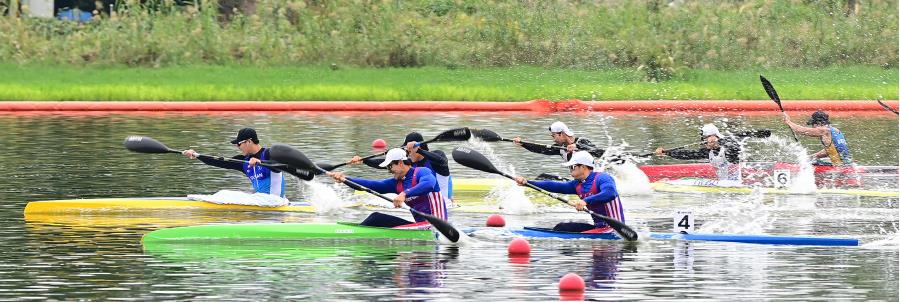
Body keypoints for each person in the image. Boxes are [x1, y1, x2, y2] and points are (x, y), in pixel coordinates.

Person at [330, 148, 447, 229]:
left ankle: (353, 236)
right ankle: (356, 235)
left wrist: (405, 194)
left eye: (390, 166)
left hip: (438, 227)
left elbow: (429, 184)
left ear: (400, 163)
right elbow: (370, 185)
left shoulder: (422, 172)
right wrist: (345, 179)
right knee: (375, 218)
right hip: (420, 226)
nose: (389, 170)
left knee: (375, 219)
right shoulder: (397, 183)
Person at [514, 151, 624, 234]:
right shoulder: (577, 185)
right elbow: (553, 185)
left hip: (615, 229)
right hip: (598, 228)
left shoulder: (602, 178)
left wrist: (585, 201)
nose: (570, 170)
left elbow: (610, 193)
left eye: (572, 167)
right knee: (561, 228)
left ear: (583, 167)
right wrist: (527, 182)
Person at [352, 132, 455, 208]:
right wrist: (364, 160)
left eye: (408, 150)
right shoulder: (410, 163)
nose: (407, 153)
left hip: (443, 206)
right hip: (423, 206)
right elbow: (389, 164)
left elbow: (442, 161)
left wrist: (419, 150)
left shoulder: (437, 157)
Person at [181, 128, 286, 197]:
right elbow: (219, 161)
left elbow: (278, 167)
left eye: (239, 144)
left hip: (275, 202)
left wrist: (260, 161)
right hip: (261, 202)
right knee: (223, 194)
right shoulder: (243, 161)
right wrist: (197, 155)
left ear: (249, 141)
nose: (237, 146)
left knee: (226, 195)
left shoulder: (269, 154)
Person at [654, 124, 742, 183]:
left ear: (713, 137)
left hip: (734, 185)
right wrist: (666, 152)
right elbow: (687, 154)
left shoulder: (728, 150)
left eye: (704, 138)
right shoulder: (708, 152)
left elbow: (736, 147)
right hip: (722, 185)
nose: (703, 141)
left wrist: (720, 142)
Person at [783, 110, 852, 166]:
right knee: (814, 160)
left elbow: (803, 131)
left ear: (819, 123)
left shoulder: (824, 130)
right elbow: (833, 150)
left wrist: (789, 122)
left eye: (813, 124)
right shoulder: (835, 130)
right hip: (847, 164)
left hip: (840, 166)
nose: (812, 127)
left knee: (810, 164)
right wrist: (811, 157)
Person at [513, 121, 603, 162]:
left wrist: (578, 147)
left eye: (554, 136)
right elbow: (540, 149)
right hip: (579, 181)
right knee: (543, 177)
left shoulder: (582, 141)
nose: (553, 139)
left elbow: (600, 152)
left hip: (594, 180)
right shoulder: (560, 148)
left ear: (561, 134)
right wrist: (523, 143)